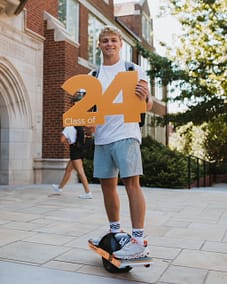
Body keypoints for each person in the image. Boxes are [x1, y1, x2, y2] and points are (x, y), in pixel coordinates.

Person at [88, 26, 153, 259]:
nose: (109, 44)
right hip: (102, 138)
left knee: (132, 184)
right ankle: (115, 232)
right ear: (99, 45)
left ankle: (137, 240)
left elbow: (147, 106)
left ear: (120, 43)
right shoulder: (92, 76)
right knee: (107, 186)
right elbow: (89, 111)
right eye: (104, 41)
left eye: (113, 40)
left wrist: (144, 97)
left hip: (126, 134)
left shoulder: (133, 70)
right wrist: (89, 125)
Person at [52, 125, 92, 199]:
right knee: (68, 170)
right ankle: (60, 188)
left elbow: (62, 140)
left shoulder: (67, 128)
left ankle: (88, 192)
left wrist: (63, 134)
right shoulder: (79, 127)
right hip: (80, 150)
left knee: (80, 172)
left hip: (74, 150)